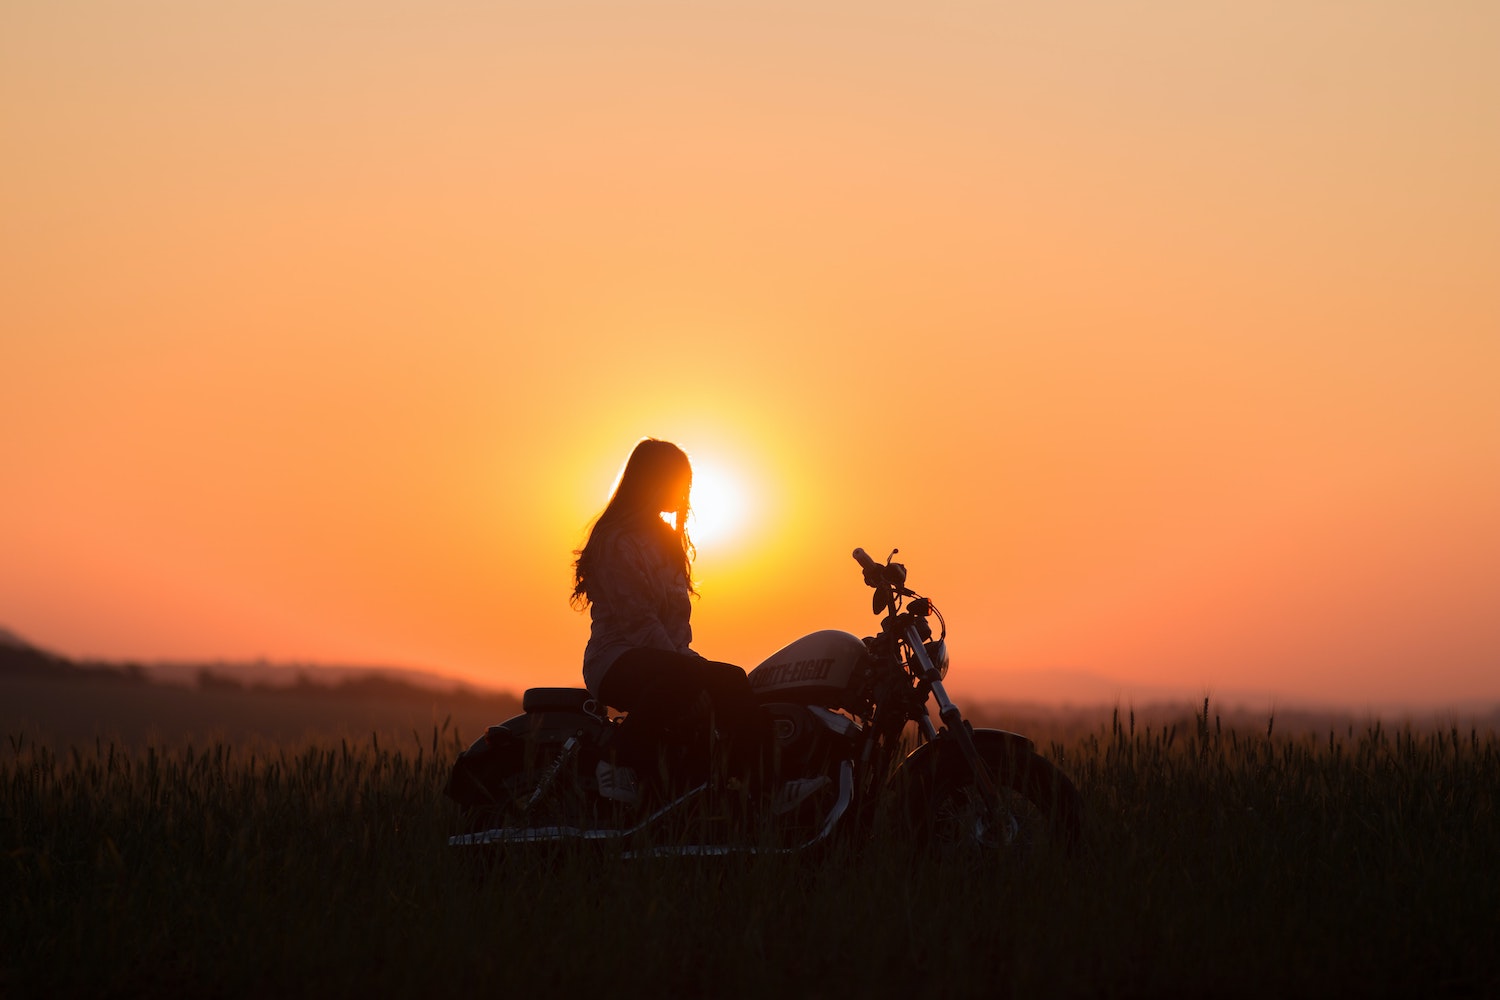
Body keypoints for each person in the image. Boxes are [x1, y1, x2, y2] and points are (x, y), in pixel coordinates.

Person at [571, 438, 825, 813]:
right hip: (616, 660)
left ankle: (754, 787)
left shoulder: (667, 540)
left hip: (665, 662)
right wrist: (692, 672)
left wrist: (694, 667)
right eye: (677, 483)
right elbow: (639, 621)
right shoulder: (616, 541)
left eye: (687, 485)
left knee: (731, 680)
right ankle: (614, 760)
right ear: (651, 481)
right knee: (702, 678)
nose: (684, 493)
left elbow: (675, 629)